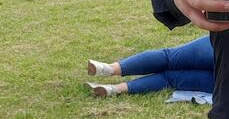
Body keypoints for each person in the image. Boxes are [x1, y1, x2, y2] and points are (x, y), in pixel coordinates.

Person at [86, 36, 214, 97]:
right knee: (171, 79)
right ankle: (114, 89)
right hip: (225, 81)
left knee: (168, 57)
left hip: (222, 44)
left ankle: (108, 69)